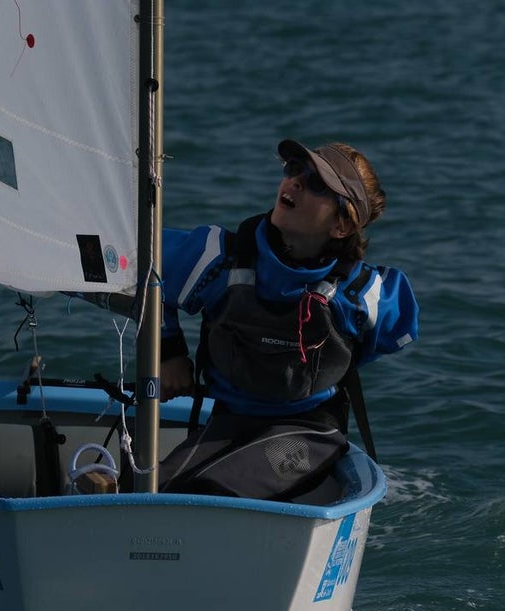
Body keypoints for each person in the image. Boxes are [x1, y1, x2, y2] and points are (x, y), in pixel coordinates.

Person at [154, 139, 419, 500]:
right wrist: (169, 350)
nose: (294, 182)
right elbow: (140, 266)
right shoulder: (218, 261)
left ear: (342, 225)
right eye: (294, 170)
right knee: (147, 489)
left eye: (317, 185)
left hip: (309, 432)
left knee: (209, 490)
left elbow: (387, 334)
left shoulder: (362, 295)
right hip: (228, 421)